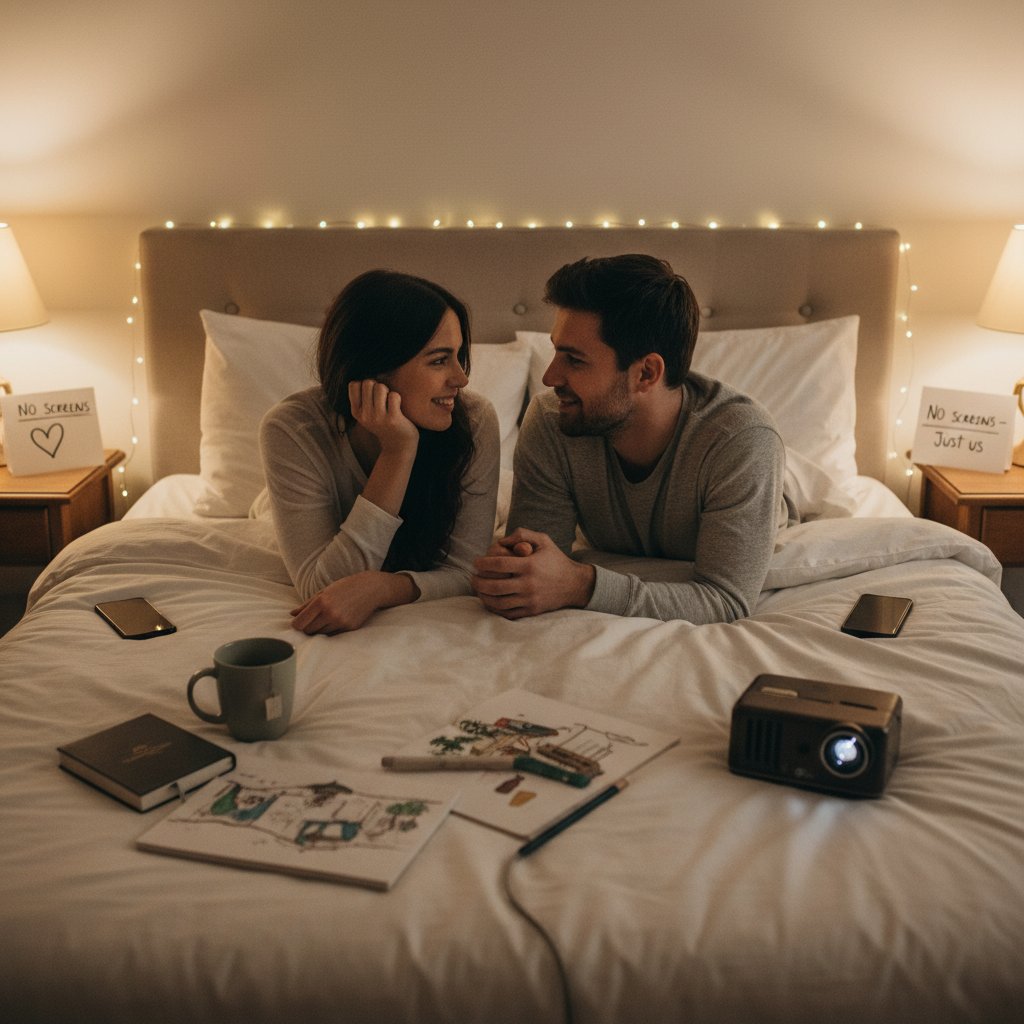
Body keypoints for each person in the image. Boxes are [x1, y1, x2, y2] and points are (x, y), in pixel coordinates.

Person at [471, 253, 794, 624]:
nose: (550, 377)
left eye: (574, 360)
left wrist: (583, 584)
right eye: (556, 351)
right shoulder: (552, 419)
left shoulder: (741, 442)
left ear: (646, 373)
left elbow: (726, 600)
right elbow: (533, 568)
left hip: (773, 484)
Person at [255, 269, 500, 634]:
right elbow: (324, 590)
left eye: (458, 355)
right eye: (438, 360)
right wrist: (398, 452)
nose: (461, 379)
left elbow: (467, 570)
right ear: (373, 369)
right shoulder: (293, 430)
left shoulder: (475, 421)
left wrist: (384, 587)